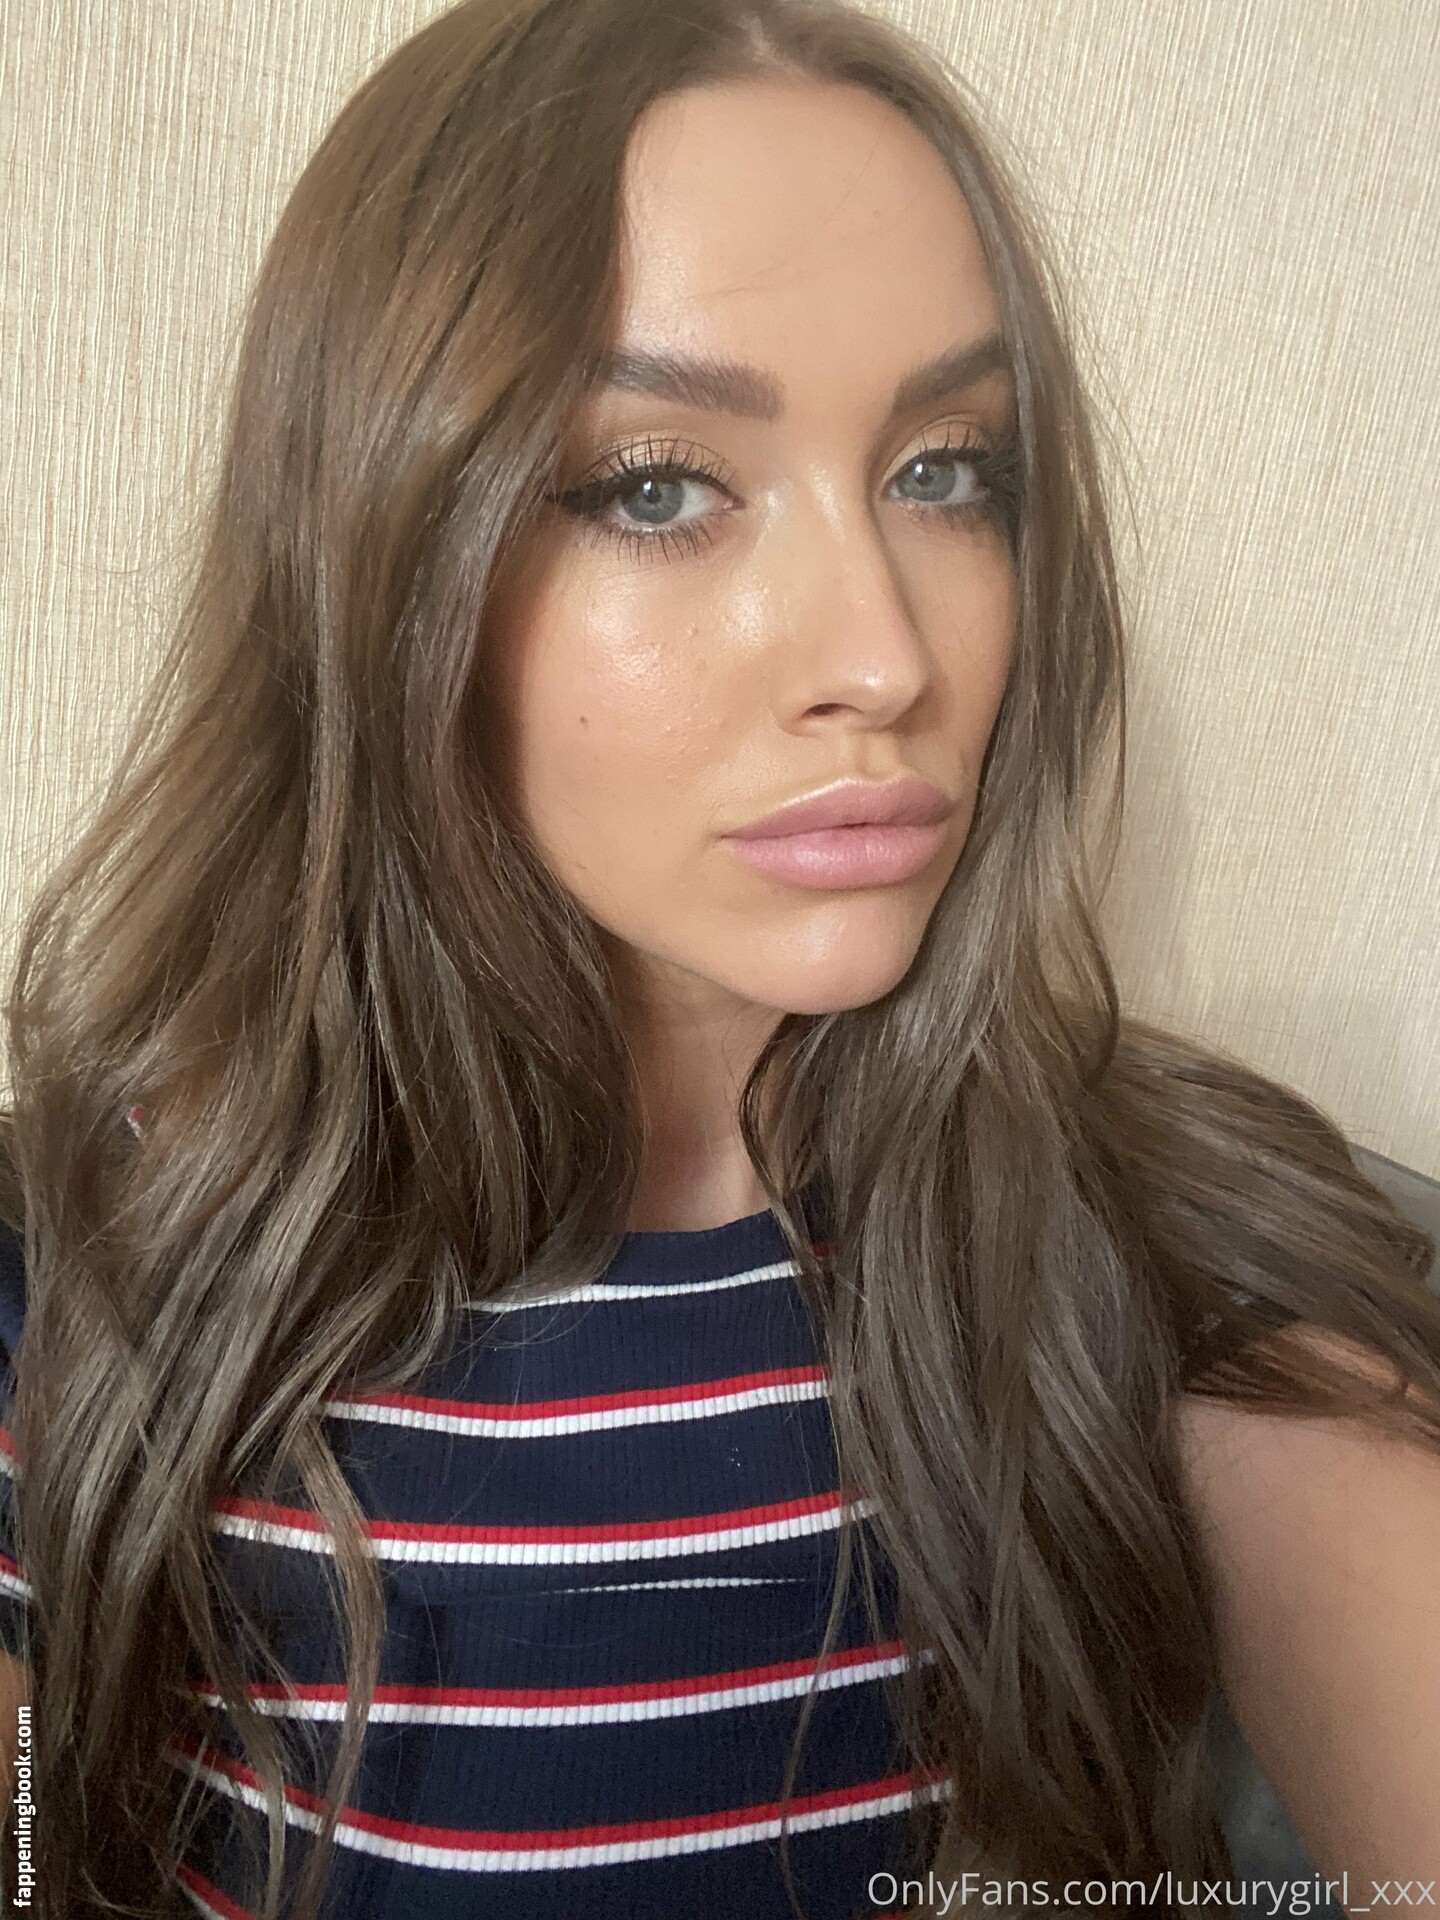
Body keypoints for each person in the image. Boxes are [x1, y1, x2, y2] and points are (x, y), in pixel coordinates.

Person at [1, 0, 1437, 1914]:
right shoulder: (88, 1273)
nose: (887, 656)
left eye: (949, 469)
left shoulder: (1150, 1251)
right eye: (657, 486)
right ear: (381, 553)